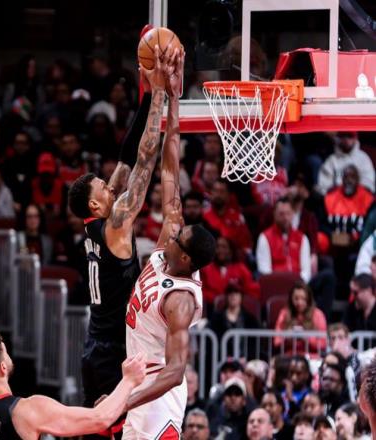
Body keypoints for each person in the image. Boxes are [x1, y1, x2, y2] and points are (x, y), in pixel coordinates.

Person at [67, 45, 169, 436]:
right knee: (117, 430)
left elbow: (126, 159)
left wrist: (145, 97)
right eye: (104, 188)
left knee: (96, 429)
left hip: (96, 345)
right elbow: (144, 161)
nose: (111, 187)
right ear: (96, 203)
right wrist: (160, 97)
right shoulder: (116, 224)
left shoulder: (97, 223)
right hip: (112, 350)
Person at [121, 48, 216, 439]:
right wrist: (173, 98)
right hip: (139, 382)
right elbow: (171, 168)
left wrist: (124, 401)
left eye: (177, 238)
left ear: (187, 258)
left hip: (158, 394)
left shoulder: (181, 300)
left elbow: (176, 371)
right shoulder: (170, 246)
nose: (171, 231)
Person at [0, 330, 146, 439]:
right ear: (3, 367)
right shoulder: (27, 410)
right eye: (6, 352)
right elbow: (99, 419)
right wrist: (129, 380)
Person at [274, 282, 327, 355]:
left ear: (309, 300)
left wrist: (306, 338)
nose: (299, 303)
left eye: (303, 299)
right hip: (289, 356)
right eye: (296, 299)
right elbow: (276, 342)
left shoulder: (318, 314)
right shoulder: (284, 313)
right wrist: (287, 336)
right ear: (291, 299)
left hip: (311, 357)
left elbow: (323, 344)